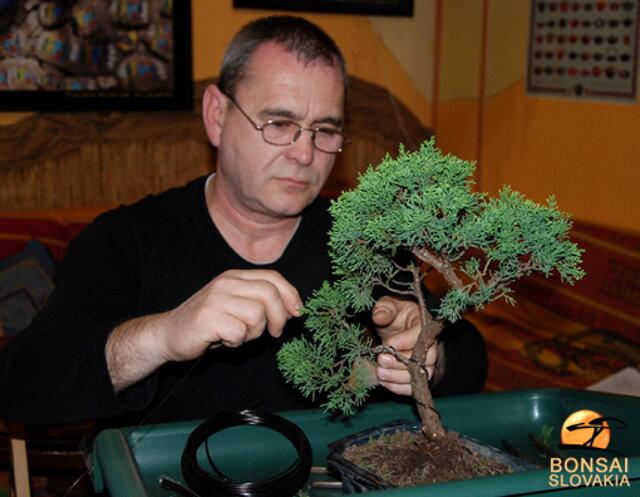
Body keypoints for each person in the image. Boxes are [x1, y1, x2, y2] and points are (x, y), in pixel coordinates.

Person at [0, 16, 486, 428]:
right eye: (278, 124)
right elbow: (23, 381)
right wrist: (163, 334)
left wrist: (431, 358)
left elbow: (469, 357)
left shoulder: (362, 239)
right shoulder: (126, 240)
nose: (304, 154)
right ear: (216, 115)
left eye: (324, 130)